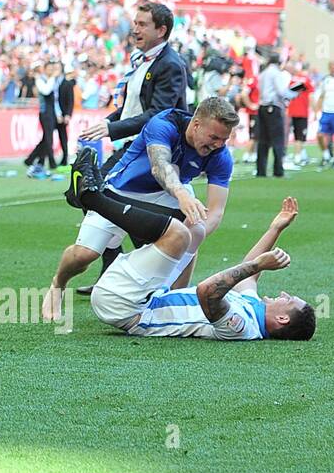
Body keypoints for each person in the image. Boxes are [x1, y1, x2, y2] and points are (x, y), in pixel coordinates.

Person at [70, 153, 314, 341]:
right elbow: (248, 276)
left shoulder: (242, 326)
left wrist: (257, 265)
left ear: (282, 318)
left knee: (176, 233)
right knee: (195, 229)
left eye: (289, 299)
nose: (284, 293)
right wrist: (275, 229)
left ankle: (94, 198)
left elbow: (207, 291)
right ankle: (105, 196)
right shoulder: (253, 308)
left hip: (125, 307)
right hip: (149, 296)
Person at [45, 97, 236, 318]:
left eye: (224, 139)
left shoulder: (221, 156)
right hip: (121, 192)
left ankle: (173, 297)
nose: (218, 145)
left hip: (168, 195)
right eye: (214, 137)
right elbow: (160, 166)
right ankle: (58, 283)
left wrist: (185, 243)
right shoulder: (164, 123)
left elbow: (216, 212)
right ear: (196, 125)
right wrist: (182, 194)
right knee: (84, 255)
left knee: (196, 228)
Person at [76, 1, 187, 293]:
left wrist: (111, 129)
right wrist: (108, 121)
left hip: (150, 150)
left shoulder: (170, 65)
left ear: (161, 30)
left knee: (93, 195)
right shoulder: (142, 61)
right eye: (135, 23)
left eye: (142, 24)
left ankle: (147, 275)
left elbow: (159, 114)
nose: (134, 29)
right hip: (132, 146)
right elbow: (131, 109)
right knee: (92, 196)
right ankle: (126, 271)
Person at [256, 50, 297, 179]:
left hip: (262, 106)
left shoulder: (263, 74)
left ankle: (261, 170)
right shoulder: (276, 73)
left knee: (263, 140)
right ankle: (278, 170)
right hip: (273, 107)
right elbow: (281, 91)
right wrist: (294, 93)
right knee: (277, 140)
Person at [24, 61, 61, 178]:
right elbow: (46, 90)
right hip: (45, 112)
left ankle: (33, 159)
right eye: (49, 69)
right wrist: (52, 78)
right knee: (48, 138)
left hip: (51, 112)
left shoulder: (51, 80)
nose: (51, 71)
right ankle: (51, 162)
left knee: (46, 138)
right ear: (45, 70)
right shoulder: (40, 80)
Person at [288, 61, 314, 167]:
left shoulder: (292, 80)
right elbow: (311, 95)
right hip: (302, 111)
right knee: (300, 136)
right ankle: (297, 157)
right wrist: (314, 110)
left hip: (292, 110)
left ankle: (302, 155)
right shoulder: (306, 80)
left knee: (297, 134)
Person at [56, 64, 76, 167]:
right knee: (47, 138)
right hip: (52, 114)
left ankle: (64, 158)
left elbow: (70, 101)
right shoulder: (53, 83)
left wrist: (68, 114)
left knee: (63, 137)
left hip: (63, 114)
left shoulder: (67, 84)